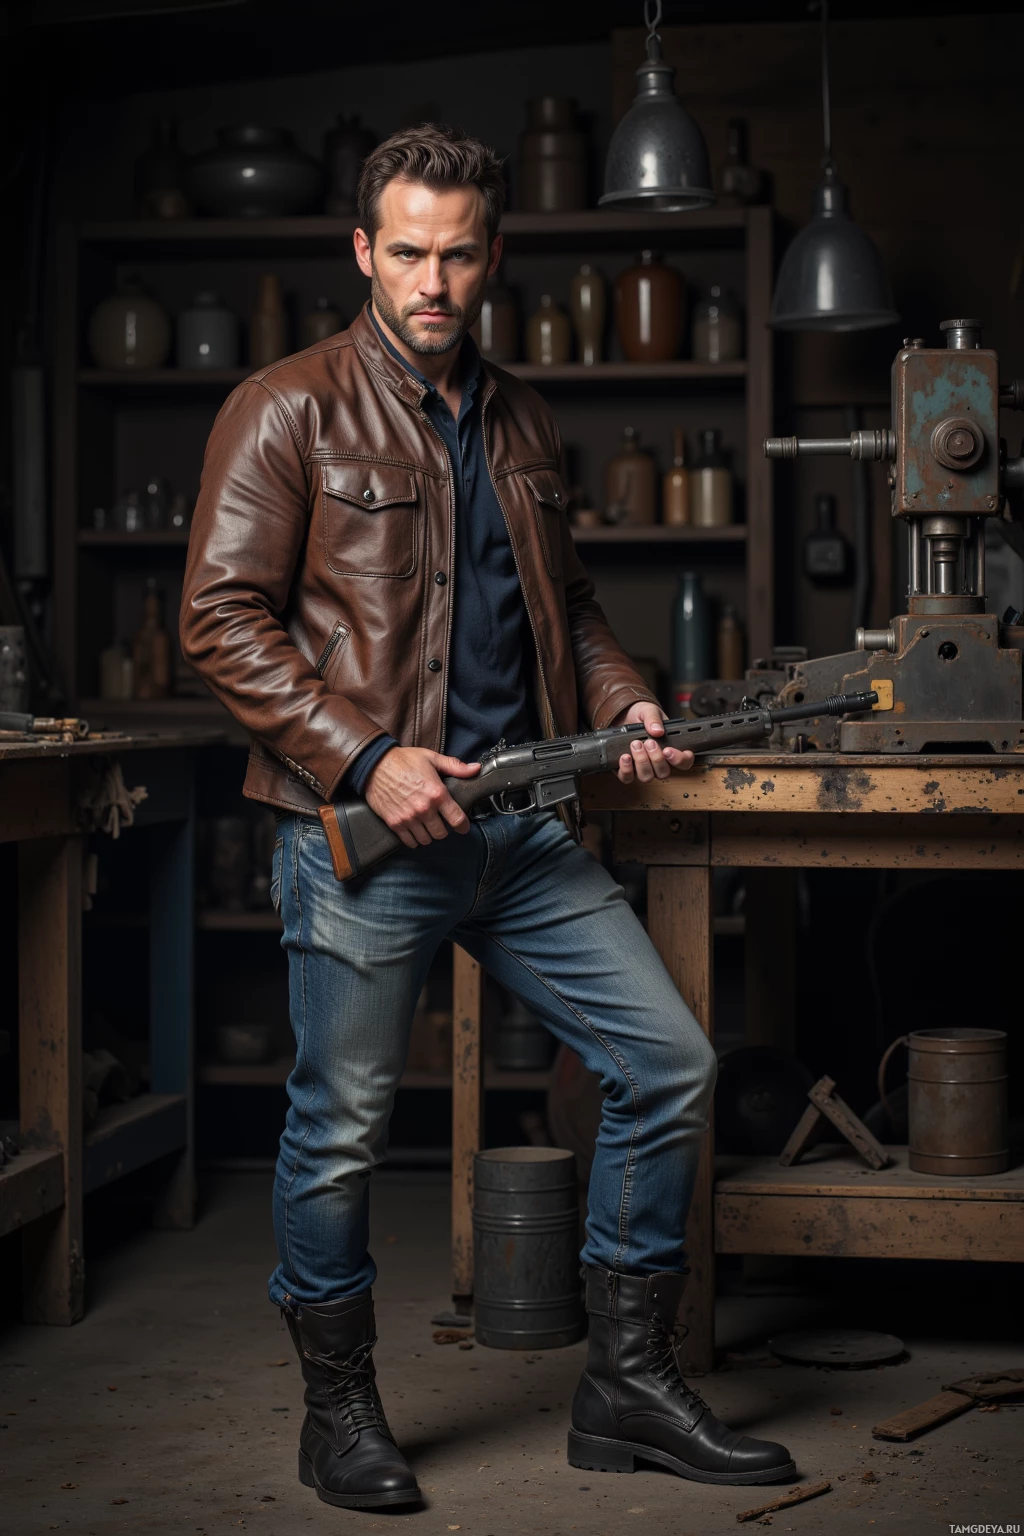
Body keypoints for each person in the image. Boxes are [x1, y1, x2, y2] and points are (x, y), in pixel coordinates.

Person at [180, 123, 794, 1512]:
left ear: (495, 257)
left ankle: (626, 1383)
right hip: (366, 835)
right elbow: (217, 621)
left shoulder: (522, 419)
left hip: (520, 827)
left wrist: (627, 701)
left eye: (458, 255)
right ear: (362, 250)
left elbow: (564, 606)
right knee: (340, 1129)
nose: (433, 281)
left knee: (668, 1065)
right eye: (407, 252)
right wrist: (365, 758)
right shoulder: (286, 407)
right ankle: (338, 1412)